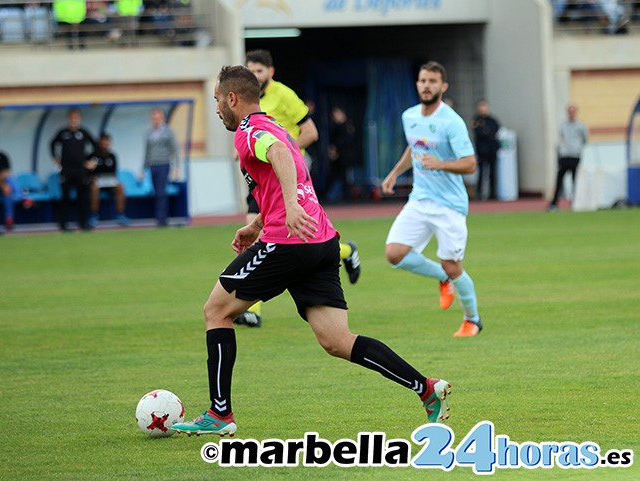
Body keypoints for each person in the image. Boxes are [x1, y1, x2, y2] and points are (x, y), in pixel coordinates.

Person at [171, 65, 451, 437]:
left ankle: (219, 414)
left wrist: (287, 209)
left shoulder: (248, 131)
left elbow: (285, 164)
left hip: (289, 243)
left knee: (215, 311)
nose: (218, 108)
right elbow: (289, 173)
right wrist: (256, 224)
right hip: (321, 242)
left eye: (218, 101)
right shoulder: (276, 128)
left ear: (232, 98)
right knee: (337, 341)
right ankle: (426, 388)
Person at [236, 49, 361, 328]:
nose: (255, 76)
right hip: (261, 178)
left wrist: (284, 154)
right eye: (250, 70)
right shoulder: (251, 102)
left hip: (285, 176)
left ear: (271, 72)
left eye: (259, 70)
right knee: (268, 235)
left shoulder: (284, 95)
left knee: (266, 236)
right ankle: (344, 251)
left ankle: (251, 308)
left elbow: (311, 132)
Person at [380, 61, 482, 338]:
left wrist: (441, 164)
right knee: (394, 253)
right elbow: (413, 148)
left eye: (432, 81)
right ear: (417, 84)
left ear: (443, 86)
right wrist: (394, 174)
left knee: (454, 265)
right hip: (420, 199)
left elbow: (470, 164)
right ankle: (441, 277)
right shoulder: (409, 116)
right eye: (423, 80)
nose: (426, 86)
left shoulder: (452, 122)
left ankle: (472, 320)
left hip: (450, 206)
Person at [50, 108, 97, 232]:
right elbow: (52, 143)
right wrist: (55, 158)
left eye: (76, 118)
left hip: (80, 170)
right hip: (66, 170)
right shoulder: (63, 132)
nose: (73, 120)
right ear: (68, 119)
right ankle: (63, 224)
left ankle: (83, 223)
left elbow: (95, 146)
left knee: (82, 197)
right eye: (71, 118)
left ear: (79, 119)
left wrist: (91, 161)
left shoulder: (83, 132)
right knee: (65, 197)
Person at [143, 107, 180, 227]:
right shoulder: (149, 133)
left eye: (157, 117)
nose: (155, 120)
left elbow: (174, 150)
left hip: (163, 164)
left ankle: (162, 220)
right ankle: (159, 218)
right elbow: (146, 152)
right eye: (153, 117)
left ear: (162, 118)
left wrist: (176, 167)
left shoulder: (168, 132)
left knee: (161, 192)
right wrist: (143, 169)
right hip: (152, 165)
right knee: (156, 192)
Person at [548, 104, 588, 211]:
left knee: (575, 180)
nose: (571, 114)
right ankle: (554, 203)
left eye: (572, 111)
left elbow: (584, 140)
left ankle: (576, 202)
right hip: (564, 155)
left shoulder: (580, 126)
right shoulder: (562, 125)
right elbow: (561, 138)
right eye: (569, 112)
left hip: (575, 156)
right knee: (559, 179)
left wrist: (578, 149)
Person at [86, 132, 130, 227]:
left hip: (109, 183)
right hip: (97, 183)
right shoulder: (93, 156)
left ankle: (120, 214)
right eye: (103, 142)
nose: (105, 144)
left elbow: (114, 173)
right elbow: (88, 172)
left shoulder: (112, 156)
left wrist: (114, 180)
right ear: (99, 143)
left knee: (120, 187)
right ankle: (94, 215)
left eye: (107, 142)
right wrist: (91, 173)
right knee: (94, 188)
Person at [472, 100, 501, 201]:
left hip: (492, 150)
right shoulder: (476, 120)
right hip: (481, 150)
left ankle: (493, 193)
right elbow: (479, 133)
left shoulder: (492, 120)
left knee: (493, 173)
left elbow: (495, 130)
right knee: (481, 173)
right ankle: (479, 194)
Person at [326, 106, 356, 203]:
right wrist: (332, 151)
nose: (334, 116)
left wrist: (336, 149)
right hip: (336, 158)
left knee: (345, 178)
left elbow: (348, 141)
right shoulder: (334, 126)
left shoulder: (348, 126)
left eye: (337, 113)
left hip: (345, 156)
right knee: (335, 176)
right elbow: (331, 142)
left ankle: (347, 198)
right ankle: (334, 197)